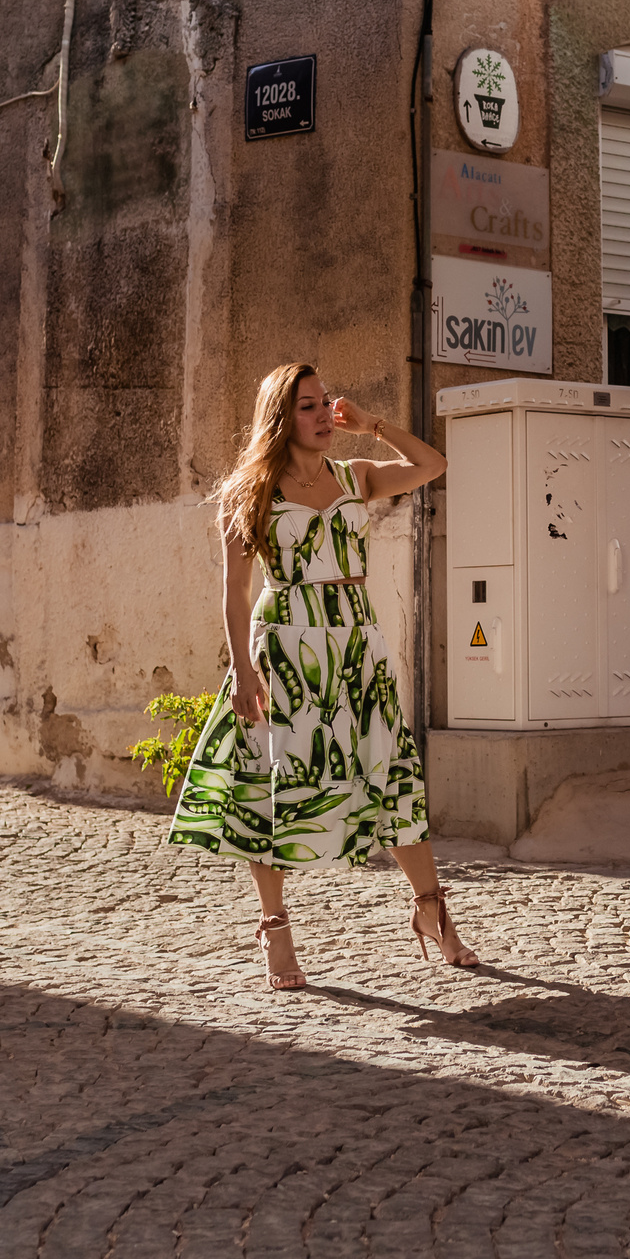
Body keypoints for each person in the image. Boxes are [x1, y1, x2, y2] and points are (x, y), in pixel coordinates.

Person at [169, 362, 475, 988]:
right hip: (285, 643)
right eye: (307, 406)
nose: (322, 415)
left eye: (325, 403)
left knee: (390, 770)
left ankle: (433, 912)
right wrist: (243, 672)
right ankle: (276, 930)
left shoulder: (354, 476)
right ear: (281, 417)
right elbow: (233, 595)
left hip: (357, 640)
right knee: (272, 782)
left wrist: (374, 425)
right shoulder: (247, 492)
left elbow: (434, 464)